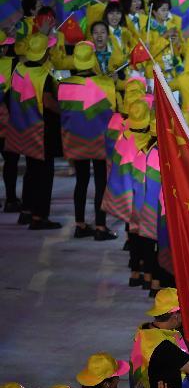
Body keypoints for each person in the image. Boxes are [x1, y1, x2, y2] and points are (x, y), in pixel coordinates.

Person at [59, 41, 118, 241]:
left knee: (81, 181)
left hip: (76, 141)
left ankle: (80, 224)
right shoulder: (105, 83)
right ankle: (101, 227)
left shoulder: (64, 85)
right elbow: (113, 111)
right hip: (101, 141)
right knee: (101, 182)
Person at [7, 34, 60, 229]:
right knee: (45, 175)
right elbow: (48, 102)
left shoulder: (19, 69)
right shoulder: (43, 76)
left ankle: (27, 212)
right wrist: (64, 108)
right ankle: (40, 217)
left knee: (31, 172)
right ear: (45, 53)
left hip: (22, 129)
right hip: (41, 131)